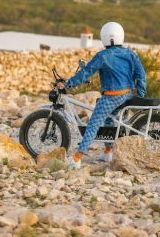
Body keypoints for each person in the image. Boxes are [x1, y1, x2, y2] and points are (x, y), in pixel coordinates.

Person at [57, 22, 147, 170]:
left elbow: (86, 73)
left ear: (105, 37)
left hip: (112, 96)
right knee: (108, 117)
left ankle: (76, 159)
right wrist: (140, 95)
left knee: (93, 124)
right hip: (127, 94)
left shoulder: (102, 56)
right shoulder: (131, 54)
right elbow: (141, 75)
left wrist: (67, 84)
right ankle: (107, 151)